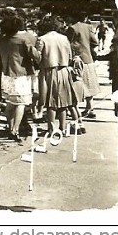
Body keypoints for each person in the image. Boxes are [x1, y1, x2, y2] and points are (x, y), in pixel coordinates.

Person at [0, 15, 40, 142]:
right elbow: (36, 56)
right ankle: (15, 130)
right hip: (21, 75)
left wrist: (1, 33)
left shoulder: (1, 40)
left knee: (10, 103)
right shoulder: (23, 40)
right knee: (21, 103)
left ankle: (10, 128)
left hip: (6, 74)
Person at [36, 14, 78, 145]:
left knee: (50, 101)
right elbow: (70, 56)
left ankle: (51, 128)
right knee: (63, 101)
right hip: (64, 70)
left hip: (49, 71)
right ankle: (63, 127)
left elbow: (38, 57)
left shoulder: (42, 39)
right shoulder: (64, 38)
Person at [67, 14, 100, 120]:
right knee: (89, 83)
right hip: (88, 59)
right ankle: (89, 107)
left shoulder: (72, 28)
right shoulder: (89, 27)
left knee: (77, 84)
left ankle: (74, 109)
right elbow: (95, 42)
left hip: (77, 59)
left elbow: (68, 43)